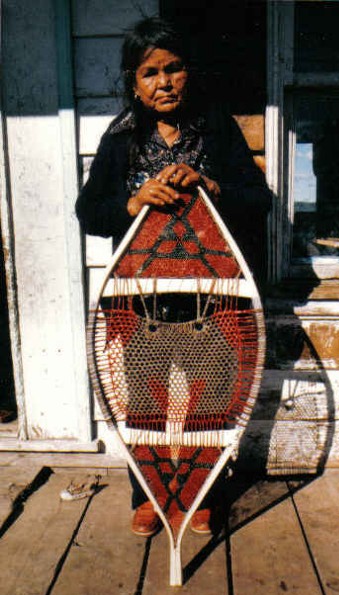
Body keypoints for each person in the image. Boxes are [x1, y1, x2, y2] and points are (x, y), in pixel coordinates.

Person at [76, 17, 272, 537]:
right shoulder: (120, 140)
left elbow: (261, 201)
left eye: (174, 68)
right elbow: (90, 213)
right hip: (141, 299)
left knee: (210, 396)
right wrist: (135, 201)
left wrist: (209, 184)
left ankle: (203, 493)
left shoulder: (216, 129)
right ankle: (149, 494)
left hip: (212, 297)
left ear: (189, 72)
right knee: (144, 399)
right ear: (133, 83)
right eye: (149, 73)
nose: (164, 82)